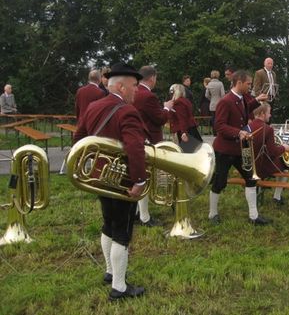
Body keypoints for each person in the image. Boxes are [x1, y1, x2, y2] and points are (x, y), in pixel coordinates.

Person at [73, 62, 147, 301]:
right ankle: (119, 287)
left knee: (108, 225)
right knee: (122, 233)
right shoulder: (127, 111)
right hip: (122, 181)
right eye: (135, 86)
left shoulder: (94, 106)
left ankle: (109, 271)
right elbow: (135, 148)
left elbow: (79, 137)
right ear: (122, 87)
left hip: (99, 179)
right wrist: (139, 180)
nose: (137, 90)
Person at [208, 70, 268, 225]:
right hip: (224, 150)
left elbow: (245, 109)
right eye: (248, 84)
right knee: (219, 182)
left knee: (251, 178)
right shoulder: (225, 101)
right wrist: (238, 132)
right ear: (239, 83)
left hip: (241, 148)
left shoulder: (241, 98)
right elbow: (219, 126)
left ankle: (253, 216)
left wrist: (257, 100)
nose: (250, 86)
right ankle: (212, 214)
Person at [133, 65, 174, 227]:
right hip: (149, 140)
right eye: (156, 78)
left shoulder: (135, 92)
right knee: (145, 177)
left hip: (138, 139)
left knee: (140, 177)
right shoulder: (148, 96)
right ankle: (144, 217)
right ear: (152, 78)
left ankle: (138, 212)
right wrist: (166, 108)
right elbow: (159, 119)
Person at [250, 103, 289, 205]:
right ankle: (277, 197)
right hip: (261, 167)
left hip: (249, 167)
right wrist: (283, 147)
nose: (270, 115)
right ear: (262, 113)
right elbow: (272, 153)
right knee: (286, 166)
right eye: (269, 113)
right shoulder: (268, 129)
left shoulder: (247, 127)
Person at [169, 84, 202, 152]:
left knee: (187, 153)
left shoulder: (178, 103)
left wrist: (183, 132)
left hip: (184, 130)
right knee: (194, 151)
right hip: (190, 128)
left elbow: (182, 119)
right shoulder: (185, 101)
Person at [206, 70, 225, 135]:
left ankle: (214, 132)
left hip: (212, 104)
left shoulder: (209, 84)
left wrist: (211, 99)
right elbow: (223, 94)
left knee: (213, 118)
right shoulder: (220, 83)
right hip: (220, 103)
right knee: (220, 118)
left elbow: (206, 95)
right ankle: (219, 131)